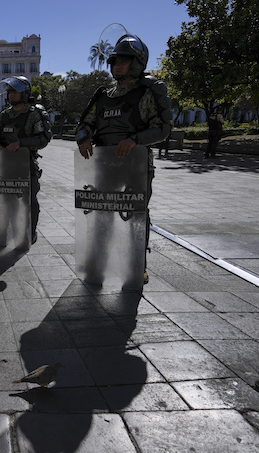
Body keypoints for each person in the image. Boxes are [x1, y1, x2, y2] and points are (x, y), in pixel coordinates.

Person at [76, 34, 173, 283]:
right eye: (114, 61)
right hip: (106, 165)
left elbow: (163, 128)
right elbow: (85, 123)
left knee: (136, 217)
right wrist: (83, 138)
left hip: (136, 165)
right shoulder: (103, 95)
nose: (116, 65)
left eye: (123, 61)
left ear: (138, 62)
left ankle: (136, 265)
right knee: (101, 215)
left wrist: (135, 140)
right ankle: (98, 261)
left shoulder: (149, 91)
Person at [0, 76, 52, 244]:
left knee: (29, 201)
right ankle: (8, 231)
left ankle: (30, 231)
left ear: (24, 93)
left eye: (15, 91)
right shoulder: (4, 116)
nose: (11, 95)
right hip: (6, 166)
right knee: (6, 201)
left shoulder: (34, 113)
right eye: (9, 92)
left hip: (27, 165)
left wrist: (21, 144)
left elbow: (44, 137)